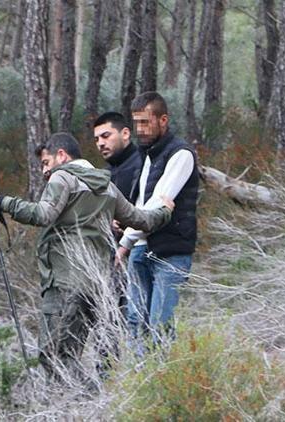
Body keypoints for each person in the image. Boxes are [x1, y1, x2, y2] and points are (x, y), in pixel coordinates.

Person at [0, 132, 173, 386]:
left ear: (62, 155)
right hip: (97, 287)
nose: (45, 172)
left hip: (65, 283)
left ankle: (88, 400)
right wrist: (165, 211)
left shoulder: (63, 176)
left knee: (52, 358)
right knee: (69, 354)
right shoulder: (108, 187)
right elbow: (142, 220)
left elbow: (43, 214)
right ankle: (90, 402)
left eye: (46, 163)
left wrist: (1, 201)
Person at [116, 92, 199, 351]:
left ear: (163, 120)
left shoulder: (181, 154)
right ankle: (139, 382)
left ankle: (162, 383)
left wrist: (126, 239)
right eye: (136, 122)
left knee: (158, 326)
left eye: (145, 122)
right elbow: (140, 202)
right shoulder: (147, 155)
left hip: (170, 252)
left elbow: (157, 205)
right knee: (135, 322)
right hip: (141, 249)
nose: (140, 129)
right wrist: (129, 243)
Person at [91, 112, 142, 374]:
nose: (100, 143)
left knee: (136, 320)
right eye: (97, 138)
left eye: (106, 135)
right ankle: (105, 377)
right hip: (113, 259)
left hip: (140, 255)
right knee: (108, 316)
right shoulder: (108, 172)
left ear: (125, 133)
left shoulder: (141, 165)